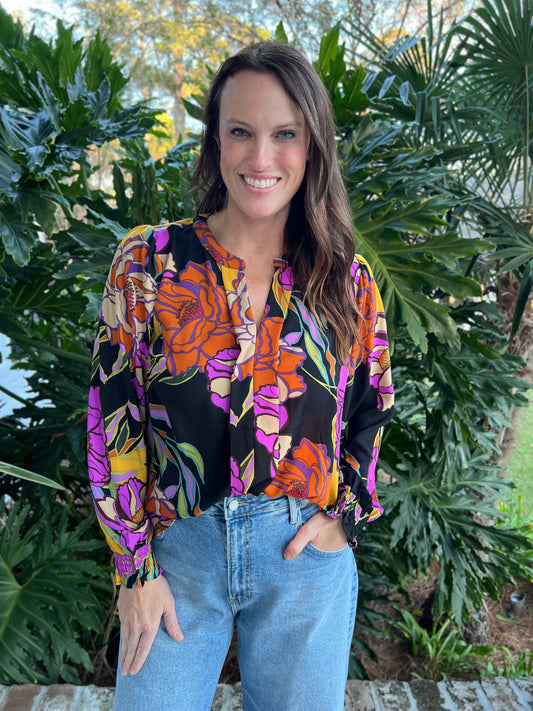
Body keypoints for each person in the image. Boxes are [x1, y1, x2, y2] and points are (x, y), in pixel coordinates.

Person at [87, 40, 394, 711]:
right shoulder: (149, 263)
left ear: (312, 146)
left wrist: (346, 516)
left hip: (302, 560)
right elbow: (113, 417)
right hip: (178, 554)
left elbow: (373, 404)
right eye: (240, 132)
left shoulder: (344, 281)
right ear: (215, 143)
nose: (260, 158)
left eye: (284, 134)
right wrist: (133, 567)